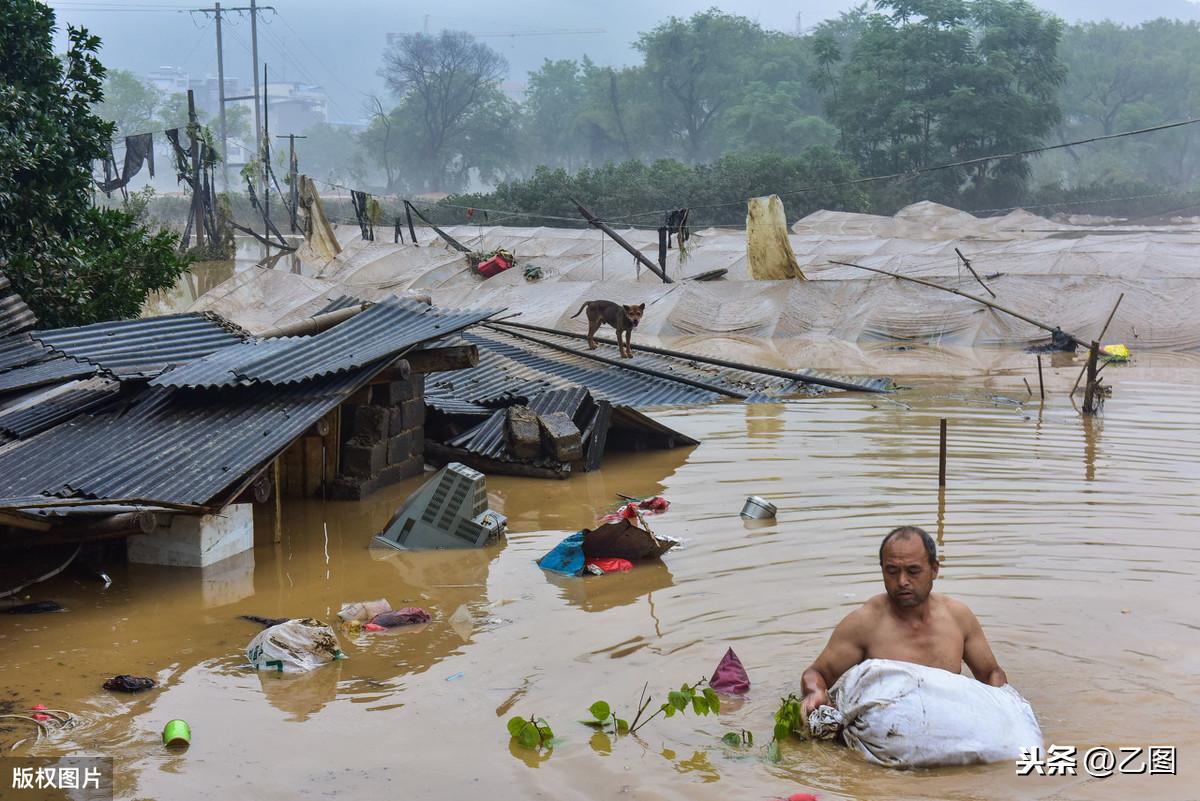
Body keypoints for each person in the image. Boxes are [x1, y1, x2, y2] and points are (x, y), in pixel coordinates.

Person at [800, 526, 1007, 715]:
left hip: (947, 720)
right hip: (889, 731)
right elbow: (817, 673)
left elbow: (991, 673)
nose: (902, 581)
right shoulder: (864, 624)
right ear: (882, 570)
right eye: (892, 571)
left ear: (934, 570)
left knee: (1028, 754)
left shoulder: (958, 617)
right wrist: (814, 693)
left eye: (913, 571)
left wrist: (1001, 706)